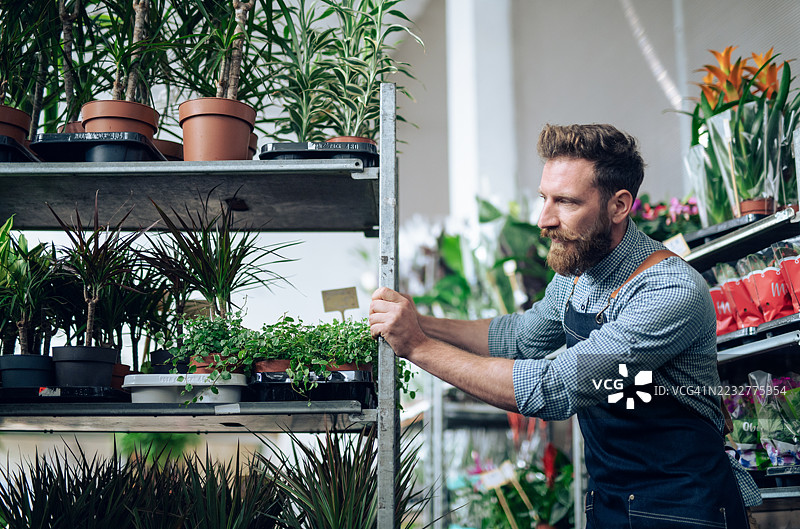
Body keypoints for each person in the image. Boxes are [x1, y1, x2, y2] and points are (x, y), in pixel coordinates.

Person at [369, 123, 761, 528]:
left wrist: (417, 346)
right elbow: (519, 338)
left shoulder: (668, 290)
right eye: (544, 198)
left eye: (566, 202)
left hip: (683, 507)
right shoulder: (578, 275)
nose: (544, 219)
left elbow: (553, 388)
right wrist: (421, 322)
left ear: (619, 206)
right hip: (611, 501)